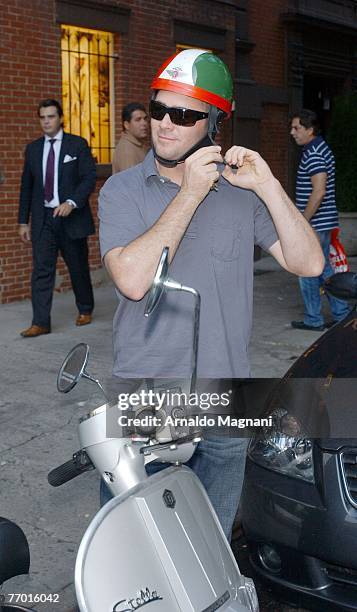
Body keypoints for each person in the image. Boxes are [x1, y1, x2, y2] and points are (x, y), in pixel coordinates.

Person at [98, 49, 324, 540]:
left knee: (211, 546)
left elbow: (309, 262)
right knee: (139, 550)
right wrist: (190, 193)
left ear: (214, 123)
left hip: (224, 391)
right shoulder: (122, 190)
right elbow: (133, 281)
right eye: (158, 110)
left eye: (183, 115)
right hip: (146, 391)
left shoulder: (243, 193)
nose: (164, 125)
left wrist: (268, 185)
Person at [18, 99, 96, 337]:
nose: (46, 121)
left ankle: (85, 308)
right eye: (42, 117)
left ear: (60, 118)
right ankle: (40, 322)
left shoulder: (77, 145)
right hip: (44, 220)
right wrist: (23, 220)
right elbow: (27, 187)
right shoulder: (33, 149)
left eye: (50, 116)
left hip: (71, 218)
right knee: (41, 271)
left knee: (78, 268)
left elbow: (88, 178)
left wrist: (71, 202)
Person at [290, 109, 350, 331]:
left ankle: (314, 319)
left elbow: (319, 191)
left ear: (310, 130)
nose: (292, 132)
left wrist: (302, 221)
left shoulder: (314, 153)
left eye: (297, 128)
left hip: (316, 224)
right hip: (322, 222)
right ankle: (341, 314)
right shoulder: (320, 148)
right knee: (324, 269)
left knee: (307, 269)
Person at [112, 102, 149, 174]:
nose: (144, 123)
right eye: (138, 120)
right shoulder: (126, 150)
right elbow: (131, 183)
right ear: (126, 125)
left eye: (145, 119)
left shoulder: (138, 144)